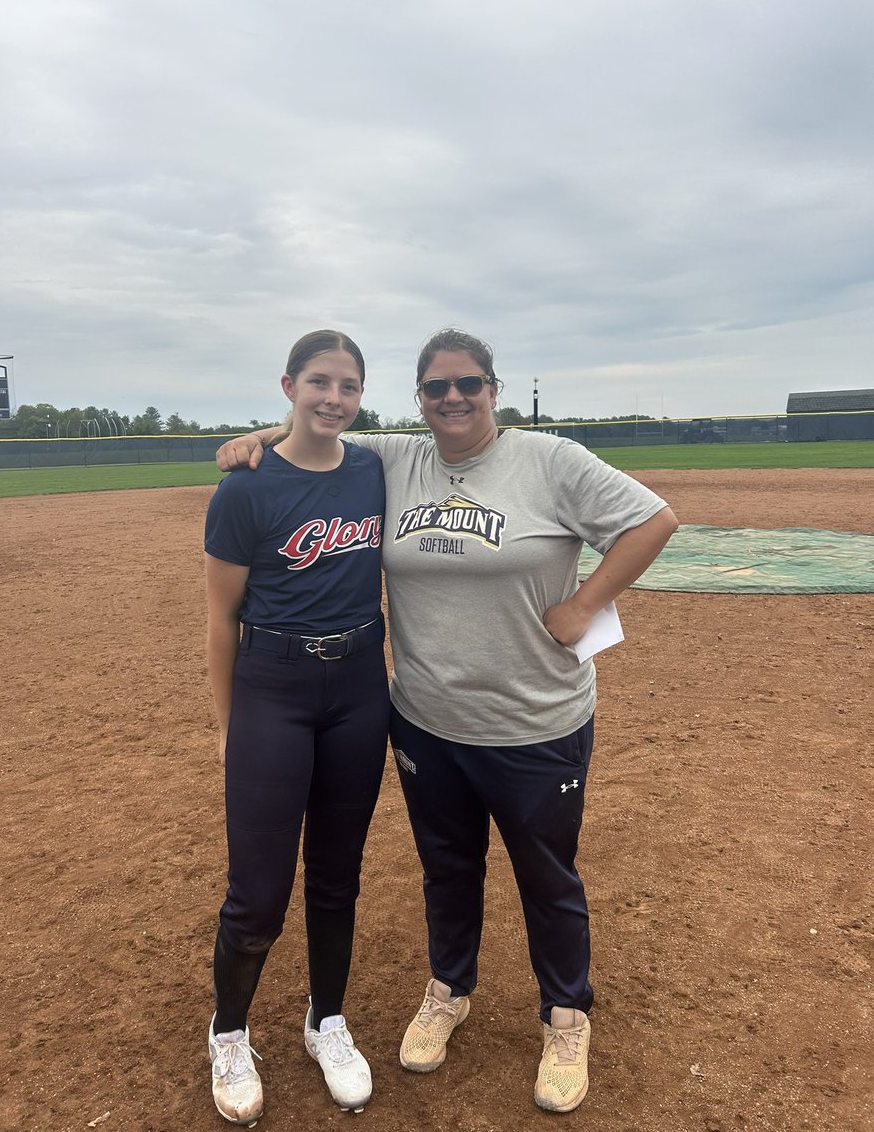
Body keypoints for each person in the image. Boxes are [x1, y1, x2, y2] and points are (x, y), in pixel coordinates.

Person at [216, 327, 678, 1114]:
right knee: (448, 869)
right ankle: (448, 990)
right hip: (427, 718)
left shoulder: (550, 460)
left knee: (547, 876)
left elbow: (654, 519)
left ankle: (566, 1017)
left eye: (469, 384)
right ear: (419, 400)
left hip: (536, 718)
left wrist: (585, 605)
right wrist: (258, 435)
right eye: (435, 388)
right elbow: (320, 430)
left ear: (494, 390)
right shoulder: (396, 459)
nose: (453, 398)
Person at [204, 330, 389, 1125]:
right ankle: (230, 1031)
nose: (333, 399)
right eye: (319, 382)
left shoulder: (376, 467)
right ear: (288, 385)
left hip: (357, 686)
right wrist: (227, 726)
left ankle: (327, 1022)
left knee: (338, 875)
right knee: (258, 890)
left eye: (348, 386)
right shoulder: (246, 488)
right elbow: (220, 619)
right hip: (272, 687)